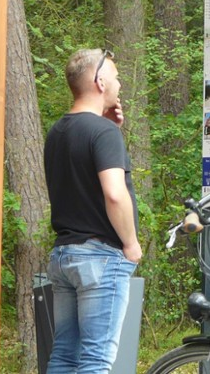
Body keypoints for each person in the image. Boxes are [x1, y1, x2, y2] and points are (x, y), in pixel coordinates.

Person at [44, 48, 142, 373]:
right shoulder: (103, 133)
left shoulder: (56, 132)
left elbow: (78, 181)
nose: (120, 84)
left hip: (63, 256)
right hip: (101, 258)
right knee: (95, 360)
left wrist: (106, 125)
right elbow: (114, 194)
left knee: (63, 357)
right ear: (100, 81)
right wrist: (130, 243)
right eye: (115, 77)